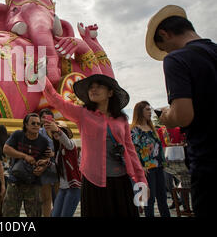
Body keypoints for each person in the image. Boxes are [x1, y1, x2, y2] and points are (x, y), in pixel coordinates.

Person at [145, 5, 217, 216]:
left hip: (208, 160)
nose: (167, 53)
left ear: (164, 34)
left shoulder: (177, 59)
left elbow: (184, 115)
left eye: (165, 48)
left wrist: (166, 115)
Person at [43, 75, 148, 217]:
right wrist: (41, 76)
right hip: (93, 180)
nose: (93, 89)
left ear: (110, 93)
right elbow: (57, 100)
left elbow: (130, 151)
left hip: (121, 179)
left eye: (99, 86)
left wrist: (141, 181)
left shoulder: (121, 119)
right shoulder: (82, 114)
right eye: (91, 87)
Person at [2, 113, 51, 217]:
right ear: (26, 125)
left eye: (38, 123)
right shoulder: (18, 135)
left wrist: (42, 168)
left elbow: (47, 158)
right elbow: (6, 149)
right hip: (15, 181)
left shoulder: (43, 141)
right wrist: (24, 156)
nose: (36, 125)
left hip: (33, 183)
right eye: (33, 123)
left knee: (35, 214)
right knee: (9, 214)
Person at [130, 101, 170, 217]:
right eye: (147, 109)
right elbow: (133, 150)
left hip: (158, 166)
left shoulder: (152, 128)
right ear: (140, 111)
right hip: (146, 169)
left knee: (162, 198)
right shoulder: (135, 130)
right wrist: (140, 166)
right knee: (149, 200)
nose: (150, 112)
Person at [51, 124, 82, 217]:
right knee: (55, 215)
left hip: (73, 187)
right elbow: (58, 169)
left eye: (60, 130)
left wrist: (57, 129)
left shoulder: (71, 144)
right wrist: (46, 164)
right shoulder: (58, 151)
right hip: (63, 187)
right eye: (53, 132)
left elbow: (66, 141)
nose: (55, 133)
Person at [38, 108, 59, 217]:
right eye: (43, 118)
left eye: (48, 118)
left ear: (53, 120)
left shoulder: (59, 131)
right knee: (46, 200)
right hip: (44, 168)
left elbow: (66, 150)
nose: (46, 121)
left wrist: (53, 154)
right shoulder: (38, 132)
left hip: (57, 168)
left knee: (58, 200)